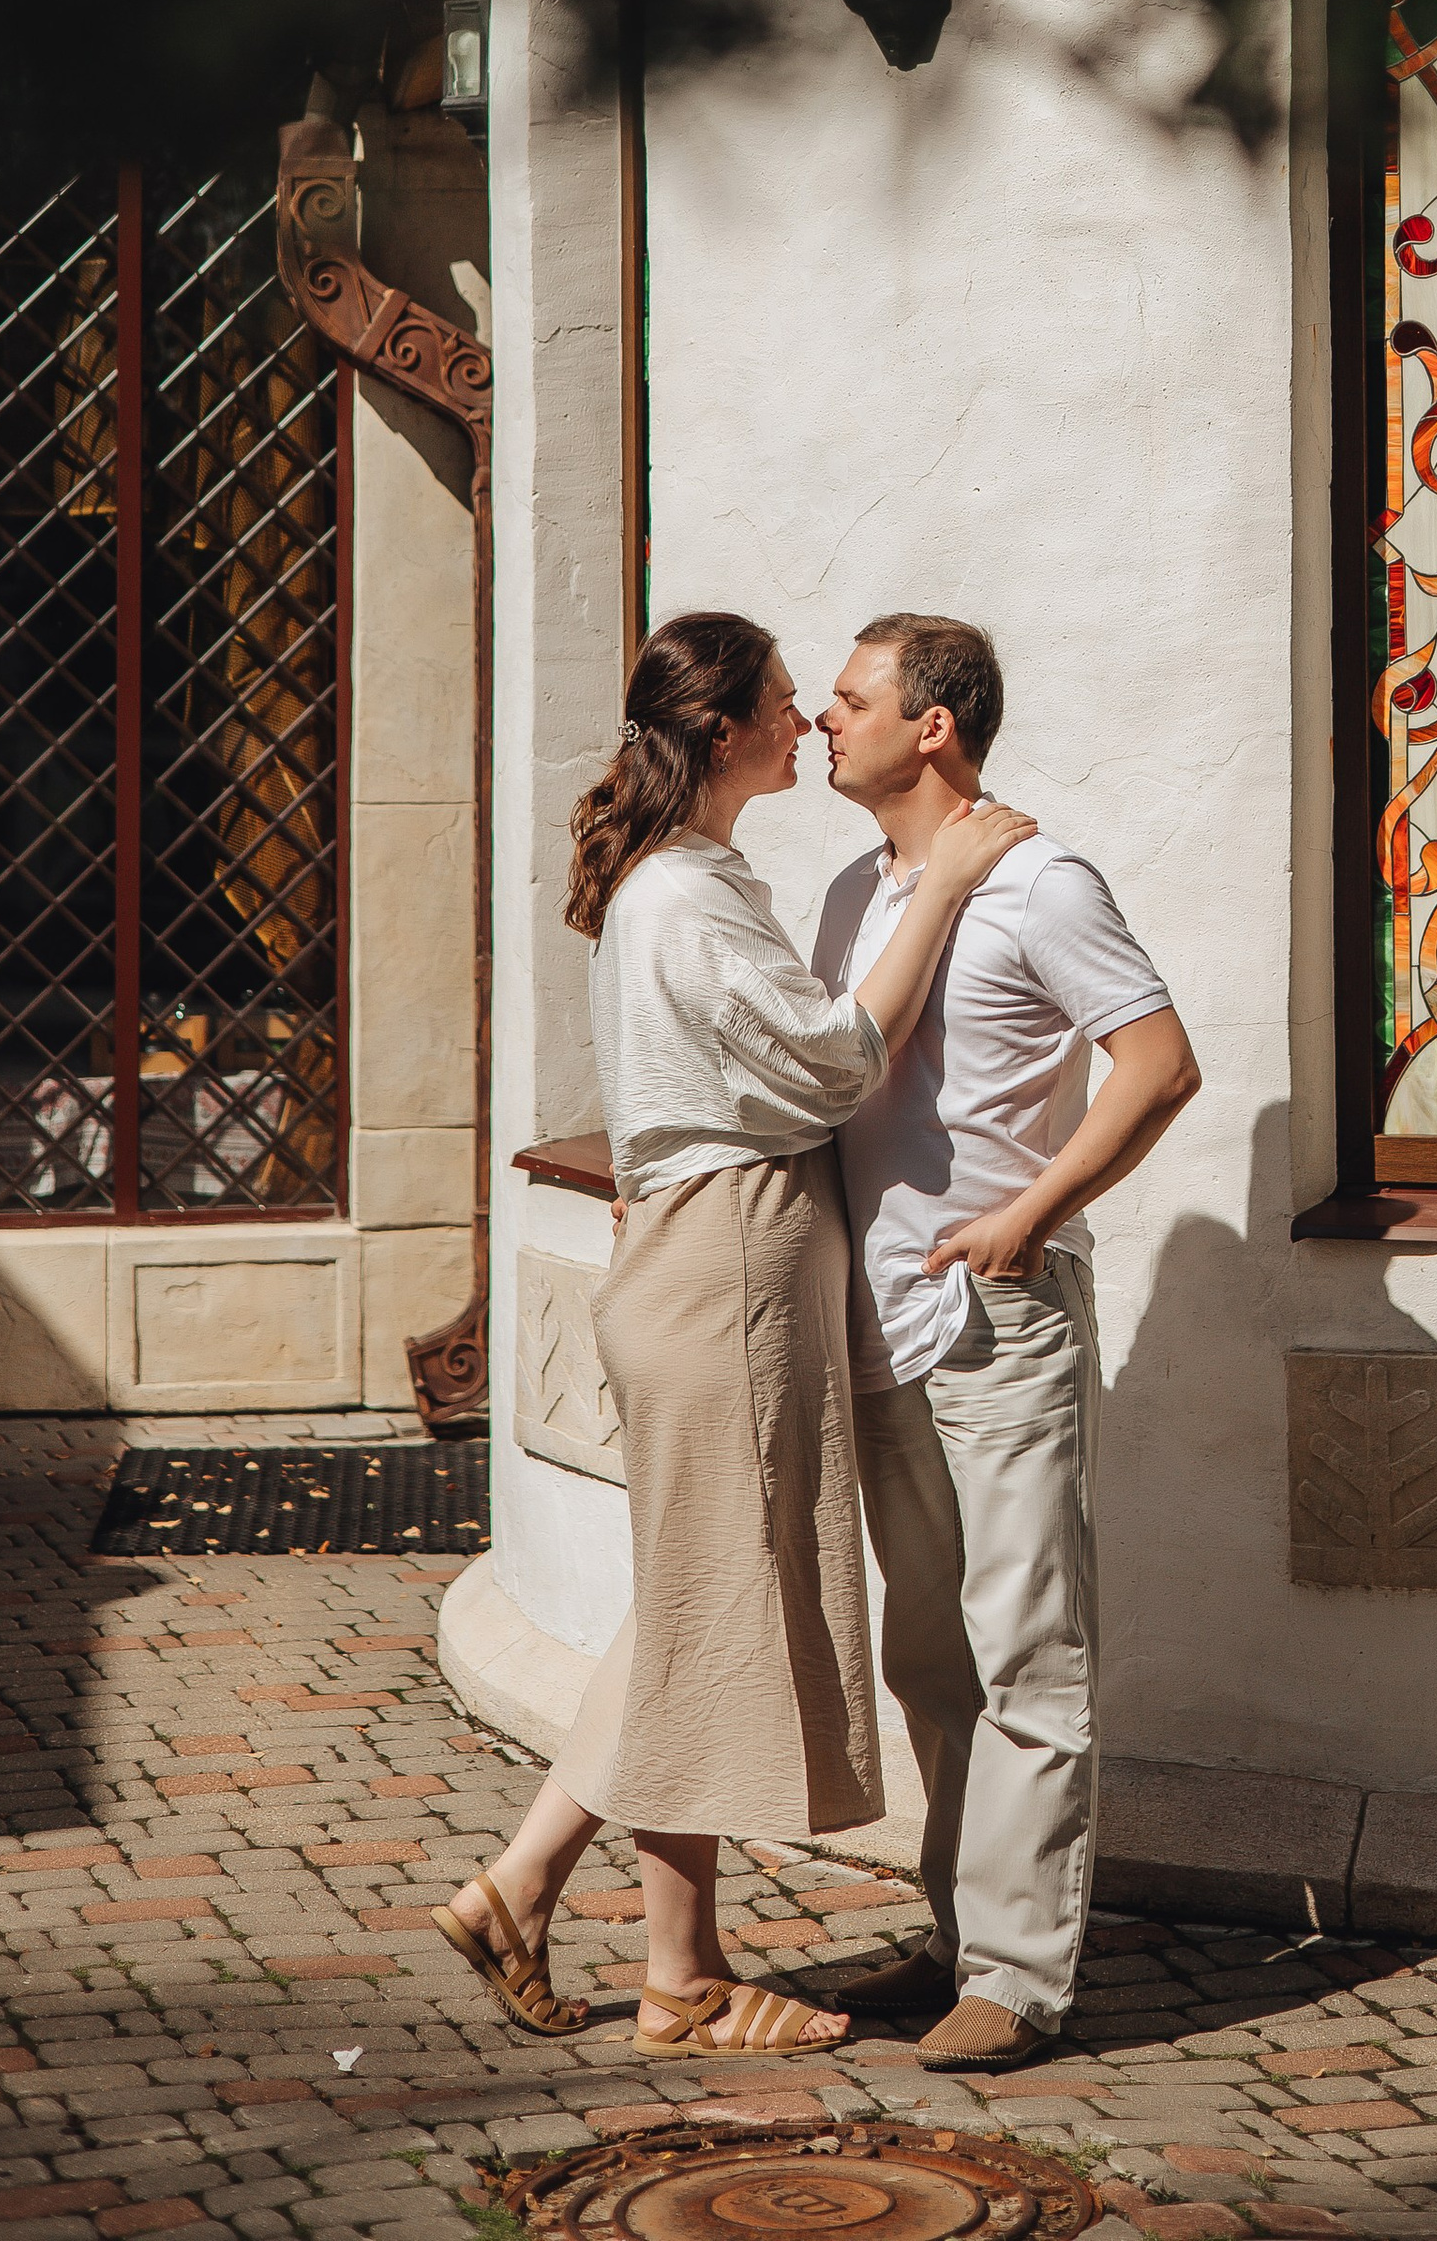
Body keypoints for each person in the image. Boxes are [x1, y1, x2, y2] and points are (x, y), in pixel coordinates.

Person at [432, 608, 1032, 2058]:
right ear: (721, 733)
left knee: (692, 1600)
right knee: (706, 1607)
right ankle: (674, 1977)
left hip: (705, 1260)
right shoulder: (684, 897)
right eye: (787, 700)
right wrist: (945, 886)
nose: (811, 721)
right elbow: (834, 1065)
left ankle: (553, 1901)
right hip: (733, 1270)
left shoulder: (685, 878)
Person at [807, 612, 1201, 2071]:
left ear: (935, 726)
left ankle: (1022, 1981)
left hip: (999, 1317)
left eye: (852, 700)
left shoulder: (1041, 882)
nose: (821, 720)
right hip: (883, 1324)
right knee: (930, 1659)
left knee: (1031, 1650)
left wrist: (1034, 1208)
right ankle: (961, 1933)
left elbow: (1159, 1066)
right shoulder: (858, 889)